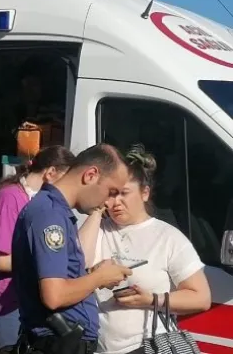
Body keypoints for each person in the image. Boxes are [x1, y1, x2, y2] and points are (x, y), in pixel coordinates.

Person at [78, 144, 211, 354]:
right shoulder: (98, 229)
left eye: (124, 193)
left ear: (145, 193)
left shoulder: (167, 237)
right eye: (110, 194)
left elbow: (201, 298)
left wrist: (151, 300)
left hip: (148, 346)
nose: (116, 202)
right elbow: (78, 262)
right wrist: (96, 210)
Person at [11, 144, 133, 354]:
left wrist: (90, 274)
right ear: (91, 175)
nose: (110, 202)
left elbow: (56, 276)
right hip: (58, 344)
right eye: (111, 192)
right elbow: (54, 295)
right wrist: (99, 278)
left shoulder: (56, 212)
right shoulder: (50, 215)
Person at [0, 145, 76, 353]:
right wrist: (46, 261)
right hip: (10, 305)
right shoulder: (10, 197)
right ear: (51, 173)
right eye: (66, 179)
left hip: (33, 304)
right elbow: (0, 260)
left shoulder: (39, 201)